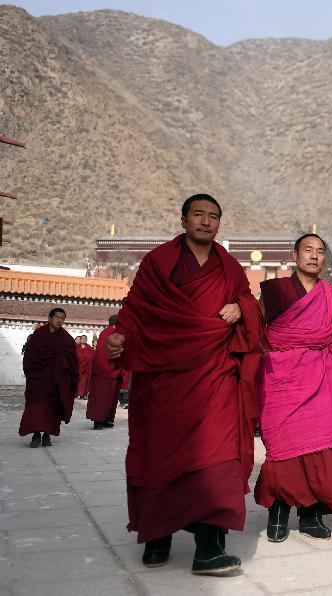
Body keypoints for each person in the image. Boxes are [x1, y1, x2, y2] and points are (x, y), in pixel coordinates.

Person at [107, 193, 263, 576]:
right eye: (198, 214)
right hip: (166, 378)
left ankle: (209, 549)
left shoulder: (230, 268)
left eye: (213, 216)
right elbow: (136, 307)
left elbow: (250, 302)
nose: (206, 221)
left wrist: (241, 307)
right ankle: (157, 538)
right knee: (161, 457)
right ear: (183, 220)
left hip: (215, 376)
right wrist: (119, 335)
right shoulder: (158, 261)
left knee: (218, 459)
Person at [254, 233, 332, 542]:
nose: (315, 256)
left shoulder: (331, 294)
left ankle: (311, 514)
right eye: (308, 250)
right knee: (282, 448)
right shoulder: (276, 290)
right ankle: (278, 511)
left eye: (320, 251)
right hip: (283, 377)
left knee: (323, 448)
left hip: (323, 377)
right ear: (295, 255)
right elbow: (256, 329)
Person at [19, 308, 77, 448]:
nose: (59, 321)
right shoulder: (38, 335)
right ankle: (35, 434)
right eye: (57, 317)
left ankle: (47, 434)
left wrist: (62, 362)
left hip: (56, 380)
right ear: (49, 318)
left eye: (62, 318)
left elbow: (72, 359)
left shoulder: (67, 339)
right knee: (36, 406)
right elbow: (29, 356)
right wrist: (31, 374)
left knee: (52, 407)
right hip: (38, 379)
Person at [88, 316, 121, 430]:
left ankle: (105, 419)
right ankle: (98, 421)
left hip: (108, 370)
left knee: (109, 397)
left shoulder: (108, 333)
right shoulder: (110, 334)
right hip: (105, 370)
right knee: (102, 397)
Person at [75, 335, 94, 399]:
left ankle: (83, 394)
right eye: (82, 338)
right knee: (78, 380)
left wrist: (87, 359)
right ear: (80, 340)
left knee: (84, 381)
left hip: (86, 367)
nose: (84, 340)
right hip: (78, 366)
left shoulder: (89, 347)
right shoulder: (76, 347)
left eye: (85, 339)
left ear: (86, 340)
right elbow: (74, 355)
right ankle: (77, 393)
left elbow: (92, 356)